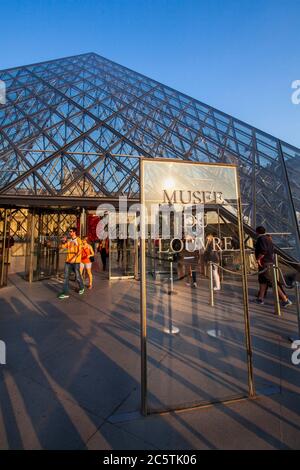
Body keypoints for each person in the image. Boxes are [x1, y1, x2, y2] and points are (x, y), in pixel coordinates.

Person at [255, 226, 292, 307]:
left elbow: (263, 251)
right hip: (268, 262)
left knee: (273, 281)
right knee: (263, 281)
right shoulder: (268, 239)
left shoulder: (261, 239)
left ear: (257, 232)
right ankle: (260, 298)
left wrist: (258, 259)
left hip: (265, 263)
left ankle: (285, 300)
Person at [58, 227, 84, 299]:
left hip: (76, 262)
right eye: (69, 231)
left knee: (78, 276)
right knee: (66, 277)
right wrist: (63, 241)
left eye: (71, 231)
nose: (70, 233)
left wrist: (75, 258)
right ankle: (66, 293)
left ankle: (81, 287)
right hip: (68, 261)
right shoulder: (69, 241)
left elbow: (80, 251)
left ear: (74, 232)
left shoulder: (78, 240)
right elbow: (63, 247)